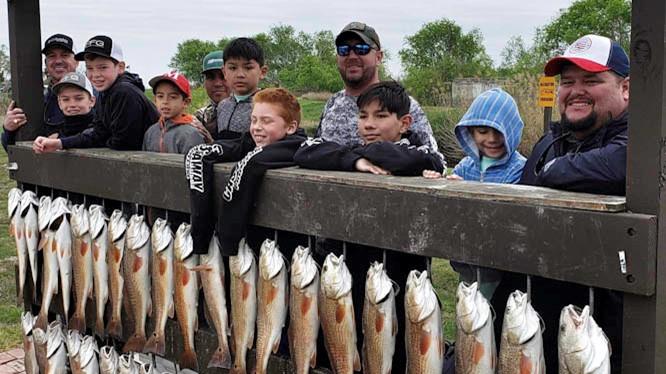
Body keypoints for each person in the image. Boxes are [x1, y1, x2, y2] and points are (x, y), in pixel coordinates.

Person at [494, 34, 630, 374]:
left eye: (592, 80)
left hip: (606, 336)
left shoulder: (643, 139)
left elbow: (621, 163)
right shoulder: (550, 141)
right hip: (535, 325)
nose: (575, 90)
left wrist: (554, 171)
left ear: (626, 88)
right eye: (567, 82)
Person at [295, 81, 444, 372]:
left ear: (405, 123)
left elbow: (406, 159)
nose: (369, 124)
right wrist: (356, 161)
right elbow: (305, 152)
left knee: (398, 346)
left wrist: (356, 156)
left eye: (380, 116)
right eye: (363, 116)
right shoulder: (355, 152)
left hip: (401, 271)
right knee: (350, 340)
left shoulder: (423, 154)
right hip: (352, 267)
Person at [428, 87, 527, 301]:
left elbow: (505, 214)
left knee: (488, 316)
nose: (491, 139)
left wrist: (467, 193)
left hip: (497, 267)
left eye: (498, 132)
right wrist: (444, 186)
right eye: (483, 131)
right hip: (465, 261)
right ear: (471, 132)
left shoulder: (518, 168)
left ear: (511, 131)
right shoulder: (465, 166)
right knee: (466, 312)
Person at [186, 87, 306, 256]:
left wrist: (227, 246)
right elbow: (203, 153)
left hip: (282, 249)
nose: (257, 127)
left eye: (266, 121)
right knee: (196, 153)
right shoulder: (252, 142)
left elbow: (254, 160)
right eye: (254, 120)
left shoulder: (299, 147)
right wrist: (201, 240)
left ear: (291, 127)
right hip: (244, 249)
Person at [315, 21, 442, 162]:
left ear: (379, 57)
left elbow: (435, 161)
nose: (351, 56)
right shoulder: (332, 103)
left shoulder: (405, 104)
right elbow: (315, 150)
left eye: (361, 49)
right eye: (344, 50)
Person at [32, 35, 159, 154]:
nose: (96, 74)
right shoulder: (106, 92)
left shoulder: (124, 92)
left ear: (120, 67)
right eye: (90, 68)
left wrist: (105, 140)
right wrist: (60, 143)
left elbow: (123, 144)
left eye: (103, 67)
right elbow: (98, 134)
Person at [3, 33, 79, 149]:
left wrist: (60, 139)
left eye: (65, 55)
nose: (58, 61)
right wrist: (9, 129)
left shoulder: (94, 95)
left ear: (77, 62)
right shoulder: (38, 101)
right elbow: (11, 150)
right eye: (52, 56)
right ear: (45, 63)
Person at [215, 38, 267, 140]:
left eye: (248, 68)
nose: (240, 75)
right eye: (233, 68)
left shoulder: (268, 106)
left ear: (262, 72)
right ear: (224, 72)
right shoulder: (222, 106)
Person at [143, 71, 206, 154]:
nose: (165, 101)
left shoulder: (191, 134)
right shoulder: (150, 132)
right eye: (160, 96)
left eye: (173, 97)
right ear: (155, 100)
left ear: (185, 102)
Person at [50, 71, 97, 138]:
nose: (72, 104)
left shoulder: (103, 130)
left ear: (92, 101)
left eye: (78, 98)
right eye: (66, 99)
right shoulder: (56, 135)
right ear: (59, 103)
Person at [195, 50, 230, 135]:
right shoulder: (200, 117)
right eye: (211, 77)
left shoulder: (253, 112)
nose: (217, 84)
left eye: (223, 76)